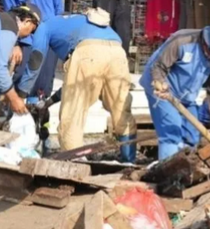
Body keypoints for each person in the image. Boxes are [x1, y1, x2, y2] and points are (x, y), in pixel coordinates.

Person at [19, 9, 136, 160]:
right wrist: (48, 103)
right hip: (117, 50)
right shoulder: (78, 21)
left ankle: (75, 163)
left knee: (73, 112)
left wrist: (21, 93)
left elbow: (36, 59)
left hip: (88, 51)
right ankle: (129, 161)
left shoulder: (44, 26)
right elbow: (72, 86)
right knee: (121, 108)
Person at [141, 17, 210, 160]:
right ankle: (167, 173)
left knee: (193, 134)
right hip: (161, 89)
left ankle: (186, 168)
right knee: (172, 130)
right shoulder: (183, 41)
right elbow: (158, 67)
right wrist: (160, 84)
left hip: (187, 95)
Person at [1, 0, 65, 100]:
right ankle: (16, 115)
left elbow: (59, 9)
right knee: (22, 78)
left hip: (49, 38)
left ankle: (39, 117)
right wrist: (14, 44)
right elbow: (10, 17)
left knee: (44, 82)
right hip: (26, 40)